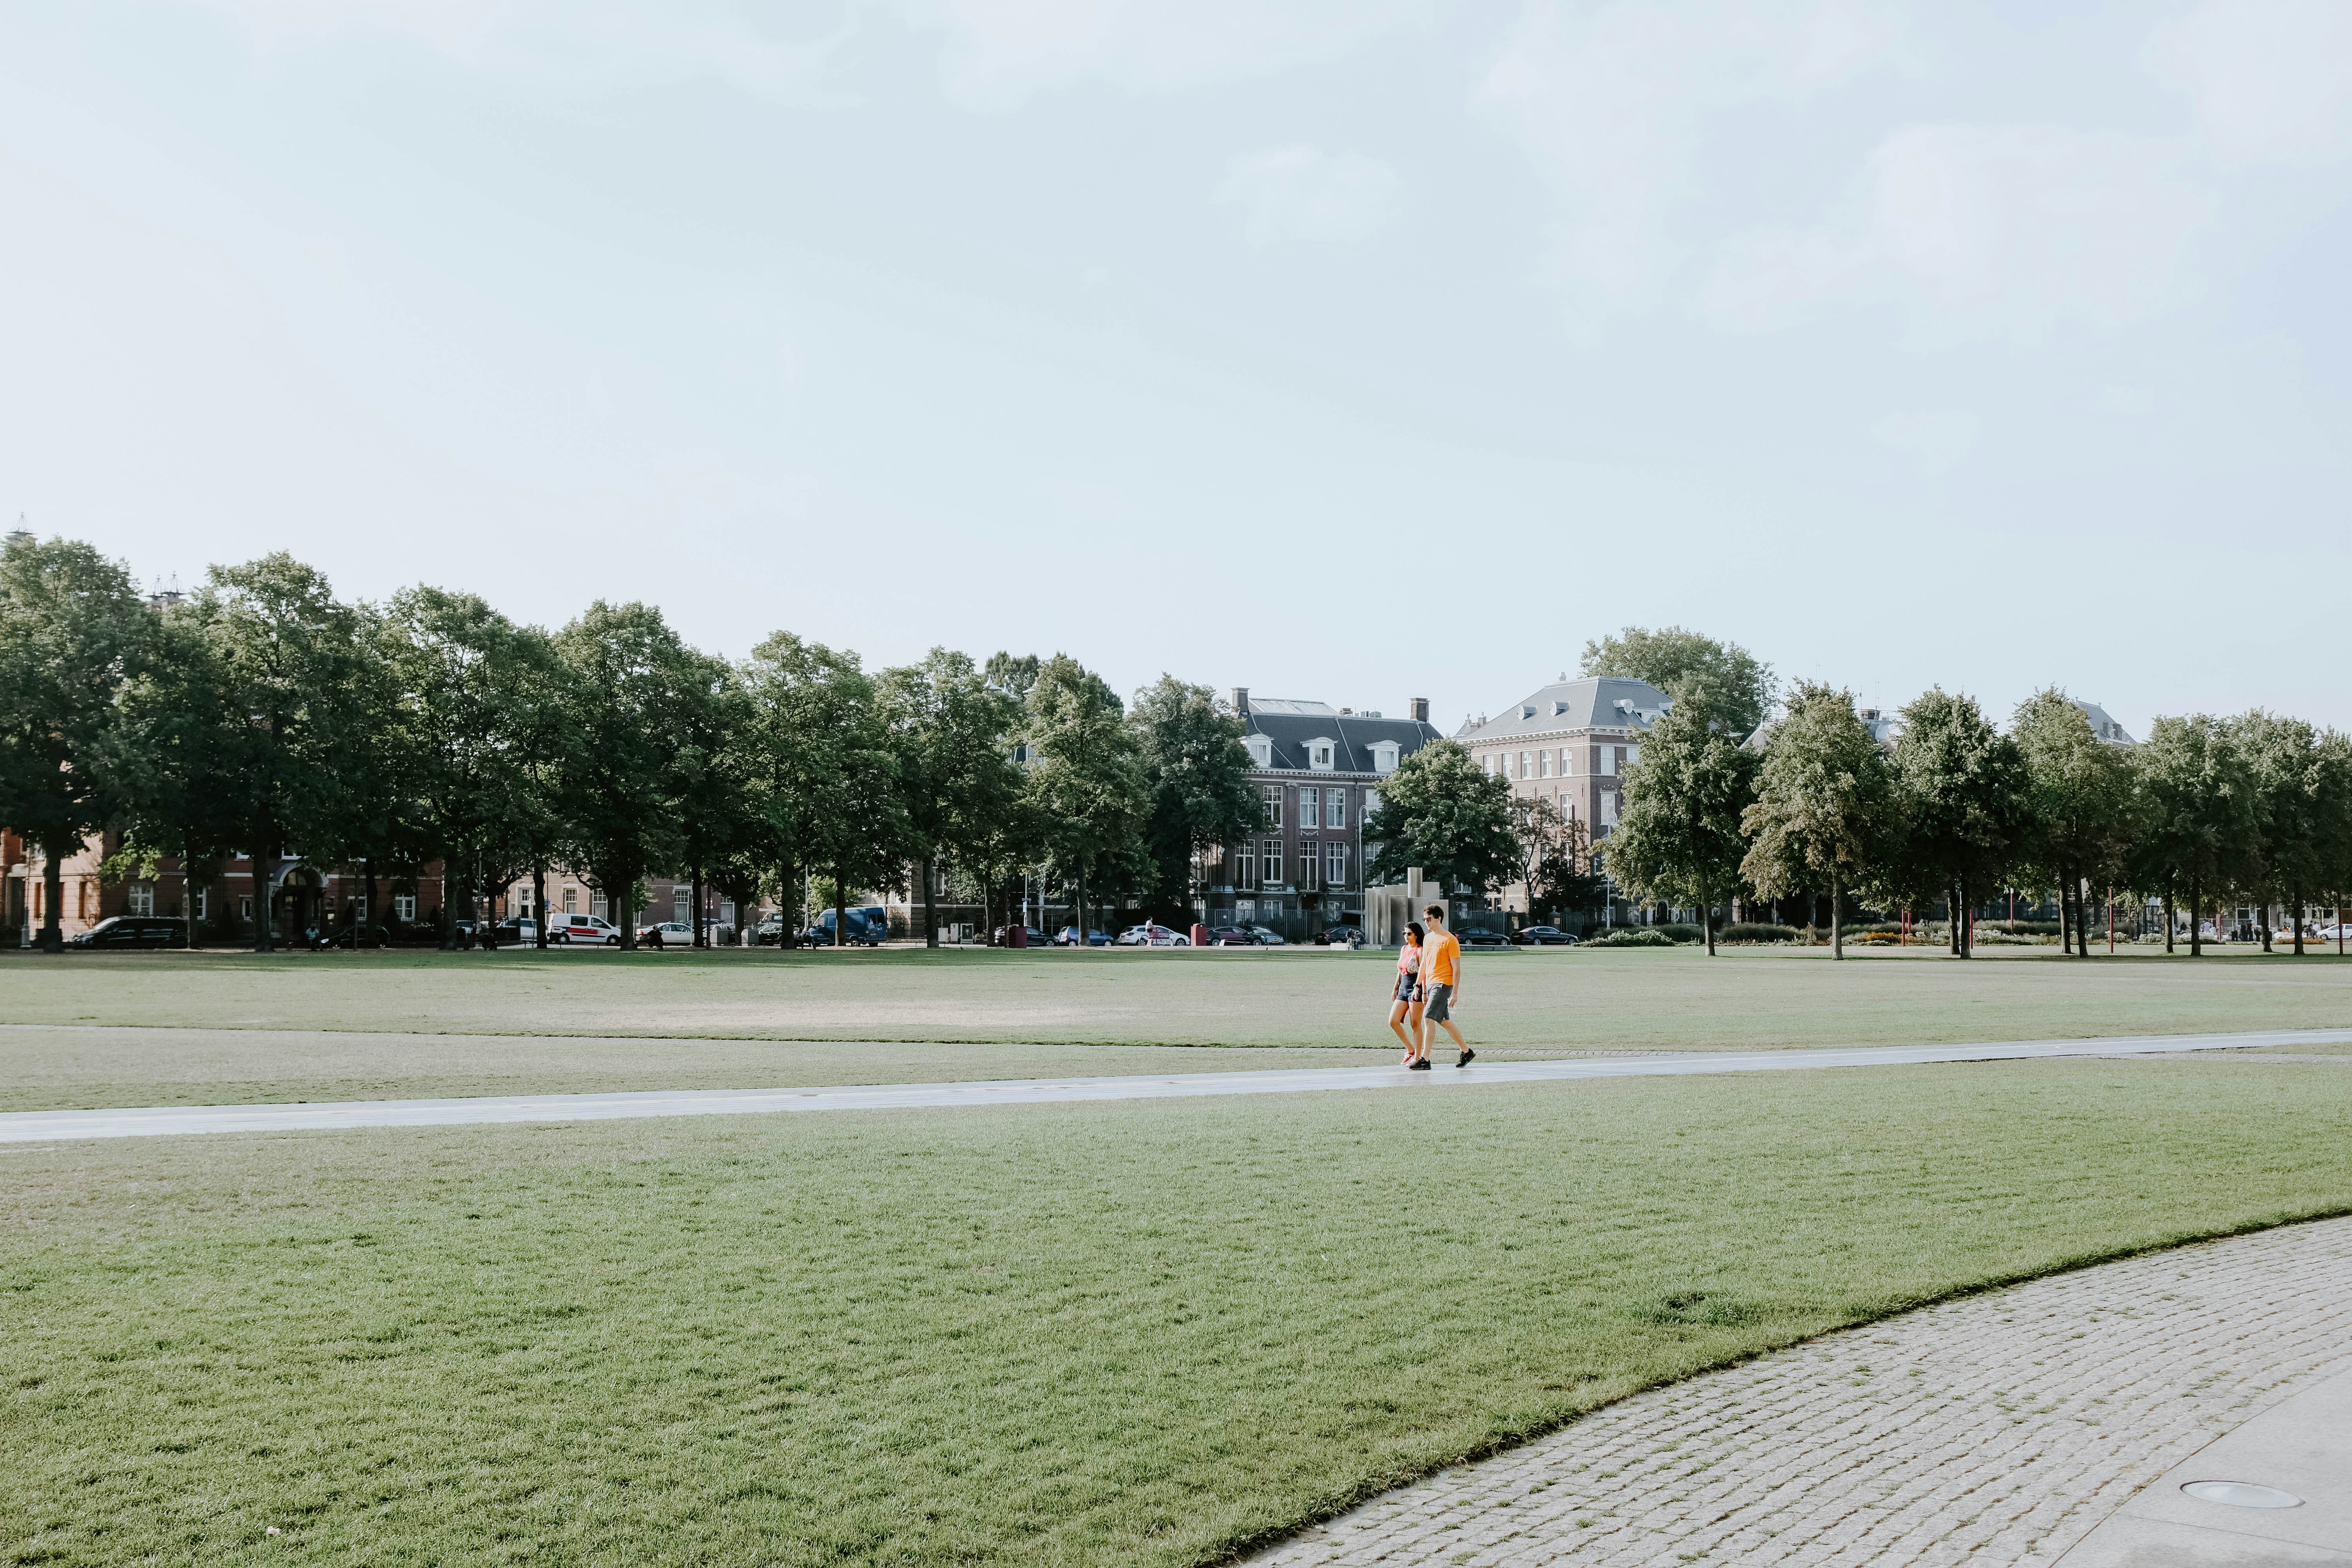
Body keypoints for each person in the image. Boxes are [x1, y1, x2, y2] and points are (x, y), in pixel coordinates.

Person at [1414, 904, 1473, 1069]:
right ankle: (1467, 1051)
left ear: (1438, 918)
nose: (1426, 922)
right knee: (1444, 1021)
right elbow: (1425, 964)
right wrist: (1420, 987)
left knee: (1428, 1018)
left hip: (1444, 984)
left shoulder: (1450, 940)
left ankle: (1425, 1060)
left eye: (1429, 919)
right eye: (1425, 919)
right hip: (1431, 984)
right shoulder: (1428, 939)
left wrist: (1455, 993)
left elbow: (1457, 969)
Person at [1388, 922, 1426, 1063]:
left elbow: (1424, 973)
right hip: (1403, 987)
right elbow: (1400, 970)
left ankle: (1417, 1057)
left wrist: (1423, 992)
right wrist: (1395, 987)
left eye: (1409, 934)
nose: (1406, 936)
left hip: (1416, 986)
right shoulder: (1404, 949)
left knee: (1415, 1024)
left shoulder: (1420, 950)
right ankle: (1411, 1050)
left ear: (1416, 935)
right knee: (1393, 1021)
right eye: (1404, 934)